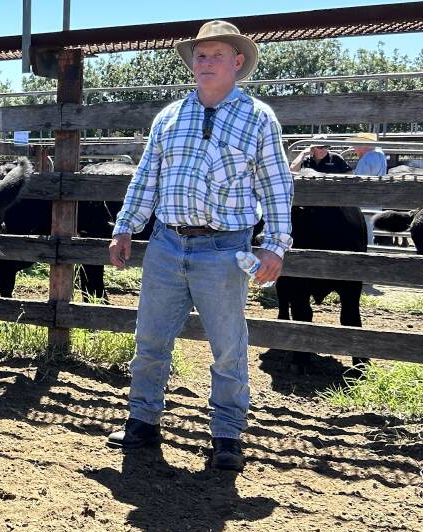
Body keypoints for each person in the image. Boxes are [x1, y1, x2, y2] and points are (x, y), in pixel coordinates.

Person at [106, 20, 294, 471]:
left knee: (228, 345)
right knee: (150, 337)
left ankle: (227, 434)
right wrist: (126, 225)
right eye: (200, 56)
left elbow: (276, 185)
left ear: (238, 62)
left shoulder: (258, 118)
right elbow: (146, 177)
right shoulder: (169, 117)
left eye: (215, 55)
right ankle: (142, 420)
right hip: (167, 243)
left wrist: (276, 245)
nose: (205, 63)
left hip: (226, 248)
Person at [351, 132, 388, 245]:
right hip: (376, 198)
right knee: (369, 229)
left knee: (364, 229)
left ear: (364, 144)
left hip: (365, 200)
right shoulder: (380, 154)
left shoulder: (366, 159)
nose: (354, 148)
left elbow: (359, 183)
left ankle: (366, 253)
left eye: (356, 144)